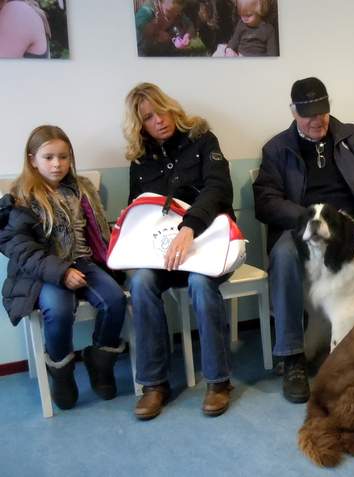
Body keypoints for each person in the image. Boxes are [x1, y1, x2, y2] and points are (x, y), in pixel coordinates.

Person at [253, 76, 354, 403]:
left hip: (352, 220)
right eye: (309, 114)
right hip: (304, 224)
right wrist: (307, 220)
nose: (318, 120)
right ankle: (292, 356)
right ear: (294, 112)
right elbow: (266, 201)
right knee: (283, 256)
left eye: (322, 112)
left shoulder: (351, 136)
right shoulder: (277, 149)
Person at [123, 82, 235, 420]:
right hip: (165, 251)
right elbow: (138, 210)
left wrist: (189, 228)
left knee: (200, 283)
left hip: (210, 241)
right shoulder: (140, 161)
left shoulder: (203, 139)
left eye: (161, 110)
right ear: (140, 125)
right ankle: (154, 384)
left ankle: (218, 381)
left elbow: (218, 188)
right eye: (148, 117)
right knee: (141, 282)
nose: (158, 120)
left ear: (171, 107)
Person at [0, 125, 127, 410]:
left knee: (115, 300)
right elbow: (20, 248)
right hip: (43, 272)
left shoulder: (81, 190)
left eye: (63, 157)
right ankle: (62, 372)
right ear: (32, 159)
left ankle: (100, 361)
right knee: (57, 311)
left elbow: (98, 232)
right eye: (48, 157)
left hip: (83, 261)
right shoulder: (21, 198)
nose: (57, 164)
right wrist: (61, 272)